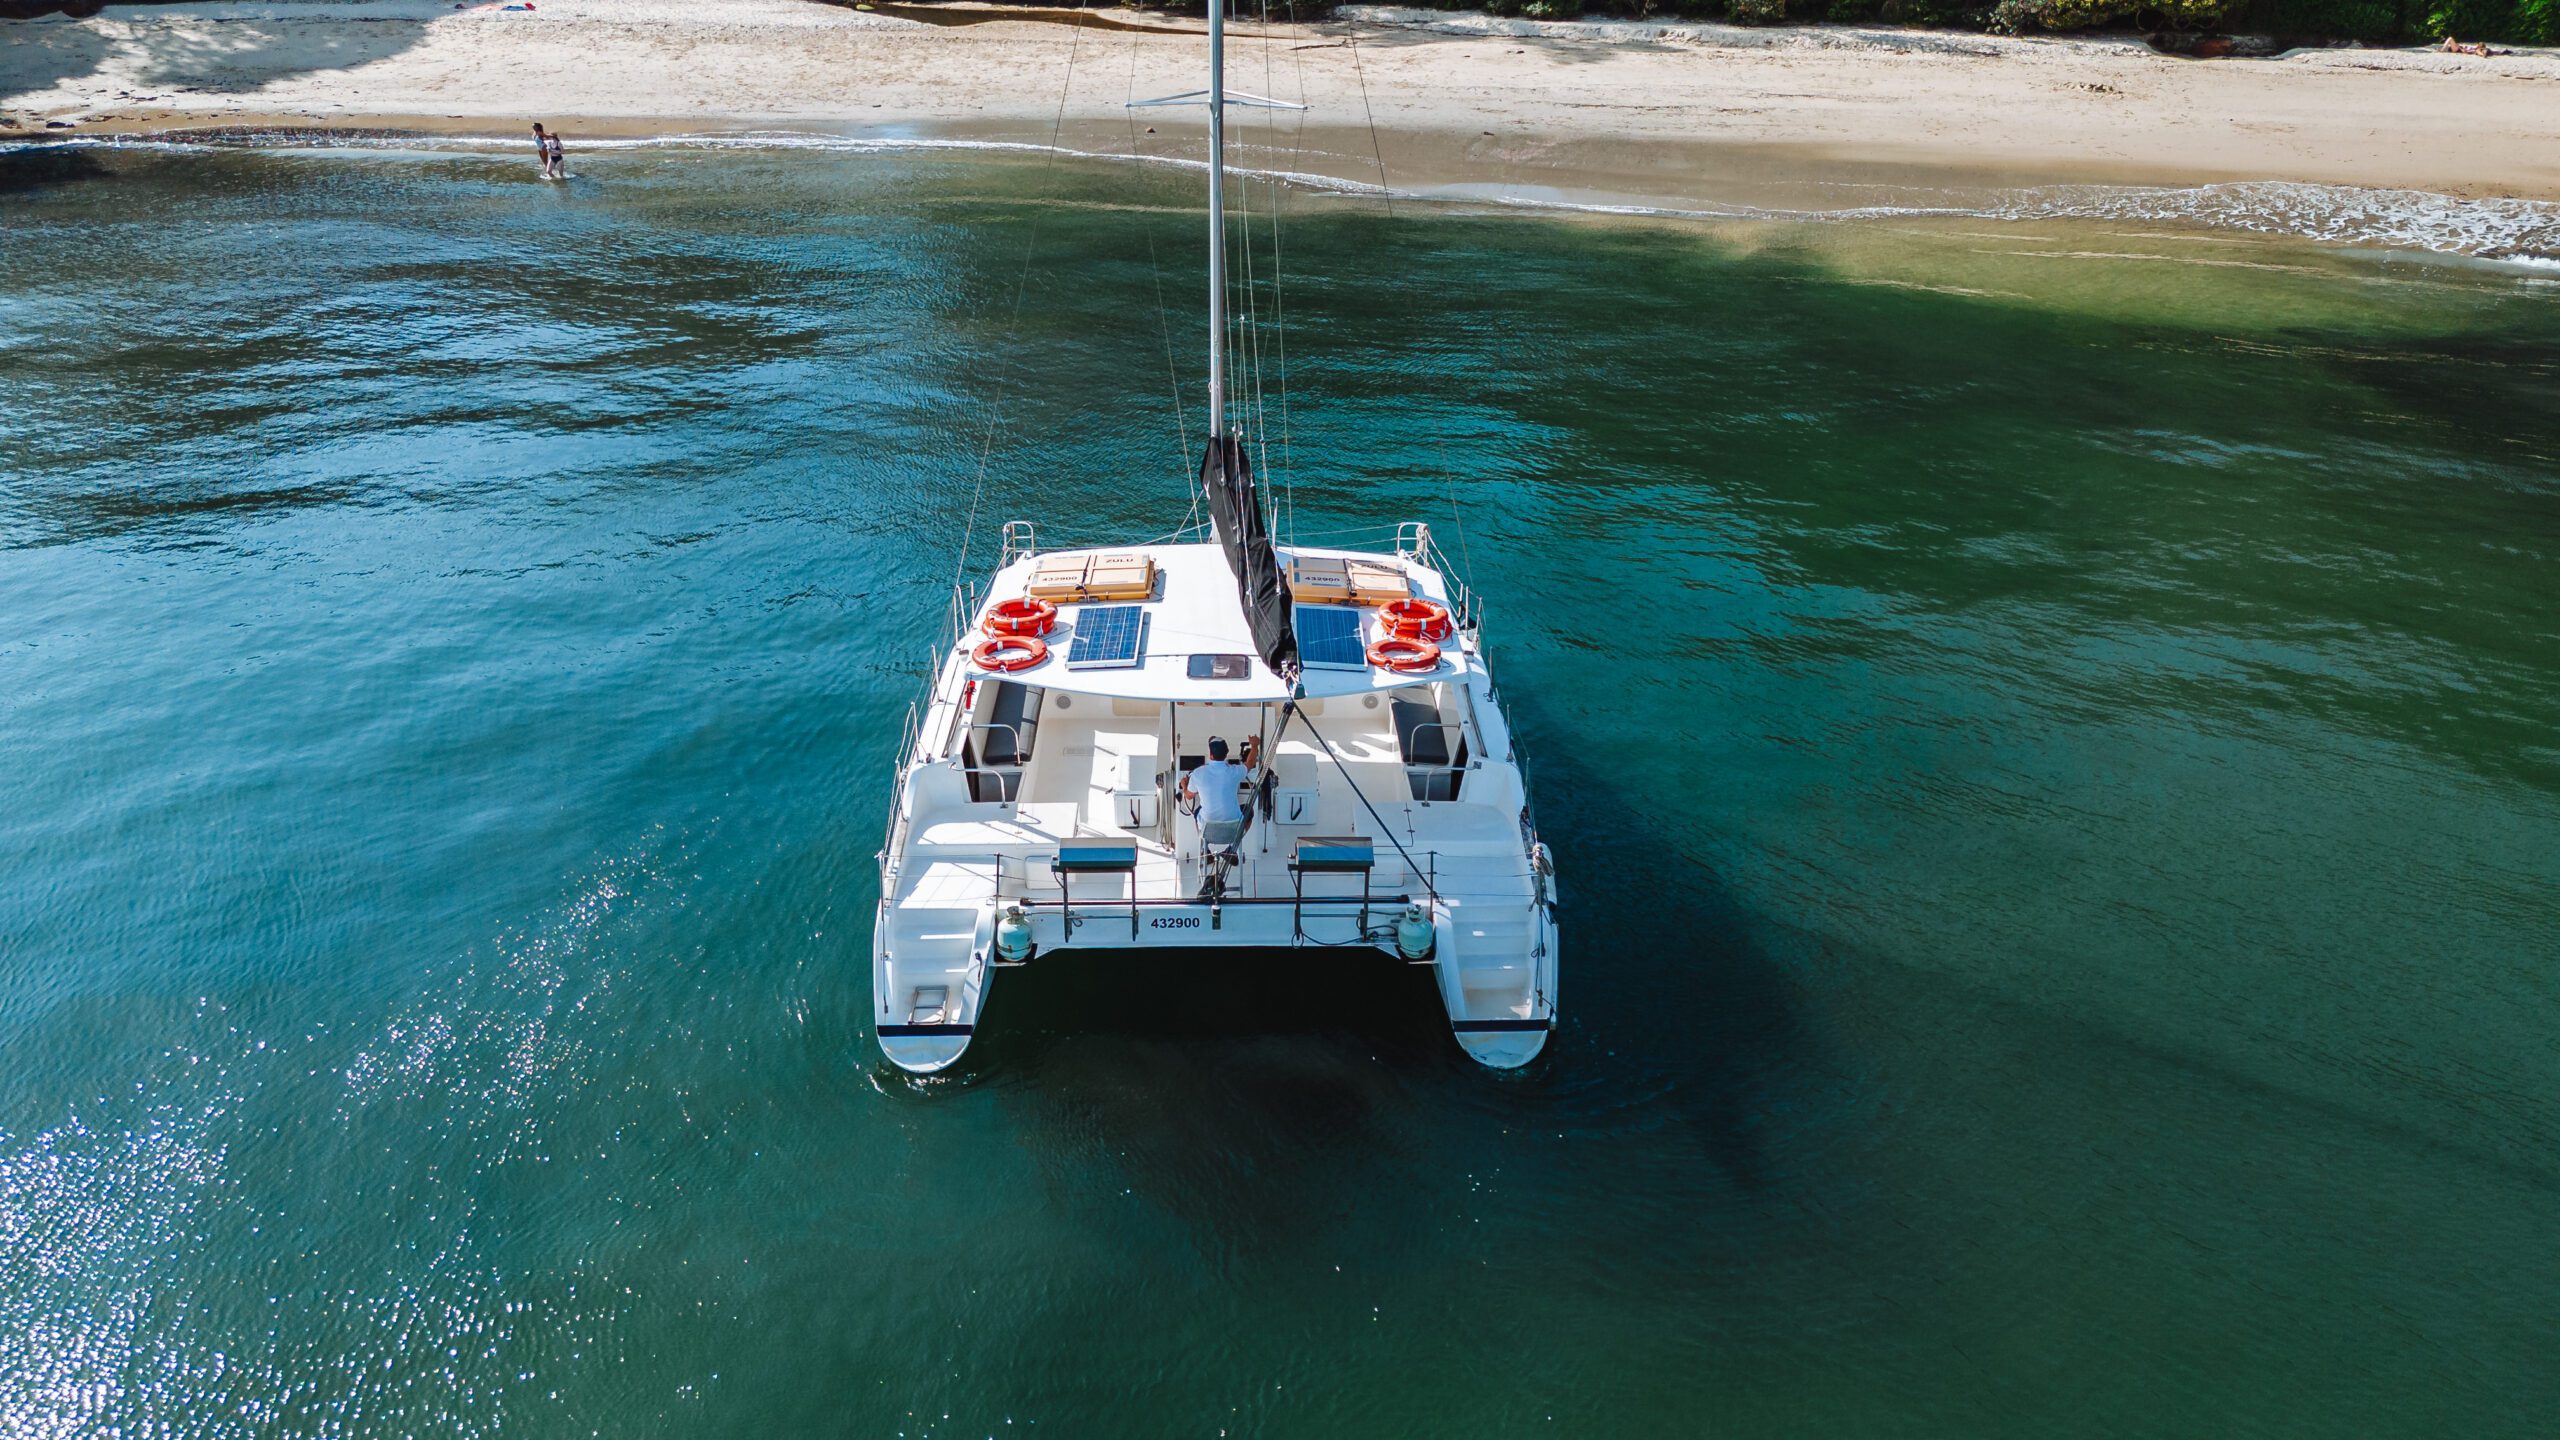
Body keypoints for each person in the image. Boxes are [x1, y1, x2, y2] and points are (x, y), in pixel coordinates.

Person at [1182, 736, 1252, 846]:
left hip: (1208, 829)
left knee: (1196, 812)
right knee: (1249, 811)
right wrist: (1255, 746)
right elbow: (1250, 764)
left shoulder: (1198, 773)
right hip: (1233, 830)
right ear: (1226, 754)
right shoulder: (1235, 771)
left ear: (1210, 754)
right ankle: (1231, 850)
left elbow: (1189, 796)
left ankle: (1206, 850)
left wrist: (1184, 786)